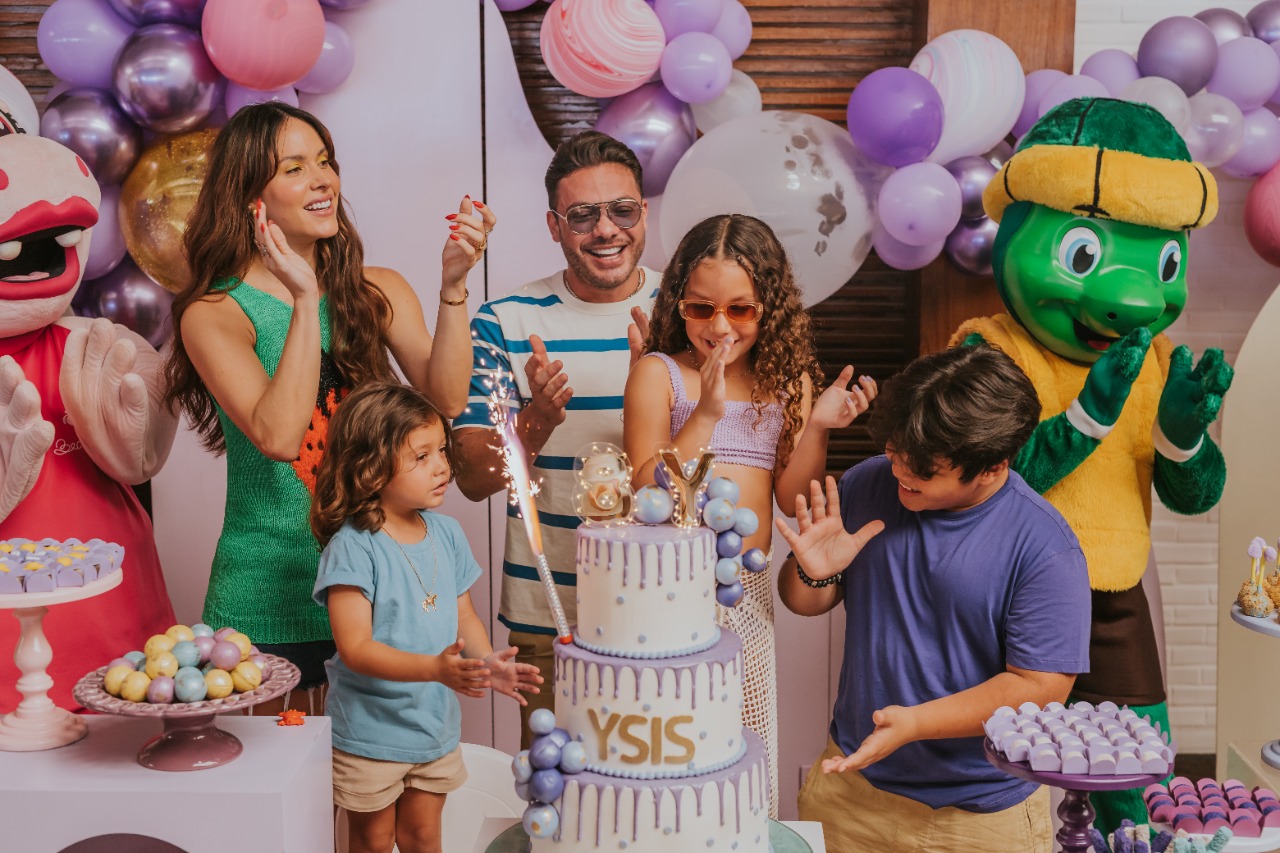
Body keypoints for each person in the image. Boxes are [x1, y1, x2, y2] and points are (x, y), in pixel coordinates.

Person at [163, 102, 491, 717]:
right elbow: (280, 435)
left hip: (378, 581)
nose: (323, 179)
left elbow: (446, 397)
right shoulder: (213, 313)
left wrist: (452, 286)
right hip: (267, 589)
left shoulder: (378, 288)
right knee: (281, 792)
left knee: (372, 786)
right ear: (249, 197)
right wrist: (305, 295)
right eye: (294, 167)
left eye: (325, 161)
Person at [777, 344, 1091, 852]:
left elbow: (1041, 685)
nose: (900, 469)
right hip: (849, 789)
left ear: (990, 466)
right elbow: (803, 601)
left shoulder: (1045, 547)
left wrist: (916, 723)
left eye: (924, 468)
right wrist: (814, 574)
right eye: (897, 449)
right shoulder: (869, 483)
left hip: (980, 816)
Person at [622, 212, 876, 817]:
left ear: (770, 308)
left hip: (746, 592)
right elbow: (643, 495)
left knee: (743, 740)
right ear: (677, 302)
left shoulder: (787, 385)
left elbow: (793, 499)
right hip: (665, 590)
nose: (720, 326)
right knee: (674, 743)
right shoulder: (658, 376)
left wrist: (816, 425)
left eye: (741, 310)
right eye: (701, 307)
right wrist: (705, 415)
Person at [451, 131, 656, 746]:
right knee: (558, 804)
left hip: (665, 601)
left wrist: (662, 381)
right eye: (582, 215)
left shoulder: (688, 308)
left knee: (664, 802)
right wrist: (538, 418)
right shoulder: (504, 320)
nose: (605, 230)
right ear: (553, 226)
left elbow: (714, 459)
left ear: (644, 213)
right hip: (550, 616)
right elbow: (473, 477)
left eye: (622, 210)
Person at [311, 382, 541, 853]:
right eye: (421, 456)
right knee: (372, 842)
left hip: (432, 727)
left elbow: (464, 618)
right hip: (369, 733)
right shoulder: (353, 548)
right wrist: (436, 669)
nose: (442, 466)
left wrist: (486, 662)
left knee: (422, 837)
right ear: (370, 467)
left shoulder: (448, 533)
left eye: (441, 449)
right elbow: (356, 649)